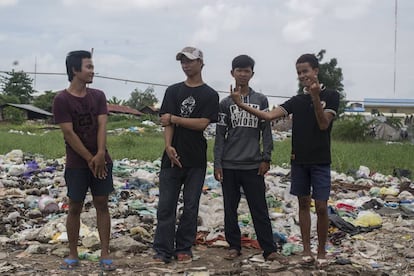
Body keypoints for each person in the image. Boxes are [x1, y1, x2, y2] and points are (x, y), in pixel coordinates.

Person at [231, 54, 340, 269]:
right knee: (302, 203)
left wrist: (316, 97)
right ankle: (307, 251)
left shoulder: (331, 95)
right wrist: (241, 104)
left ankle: (321, 252)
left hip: (320, 161)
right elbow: (269, 116)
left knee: (320, 207)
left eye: (305, 71)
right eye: (299, 72)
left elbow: (323, 125)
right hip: (298, 160)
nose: (302, 76)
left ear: (316, 71)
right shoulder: (296, 101)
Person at [214, 55, 288, 264]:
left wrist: (266, 157)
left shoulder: (260, 100)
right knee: (230, 208)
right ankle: (234, 246)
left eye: (247, 71)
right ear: (232, 73)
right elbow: (220, 135)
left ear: (252, 74)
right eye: (239, 70)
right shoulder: (225, 103)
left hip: (253, 164)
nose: (243, 74)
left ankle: (269, 249)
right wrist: (217, 163)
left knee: (259, 208)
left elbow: (266, 131)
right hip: (229, 164)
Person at [153, 46, 219, 264]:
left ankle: (183, 248)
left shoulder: (210, 94)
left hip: (196, 160)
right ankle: (163, 249)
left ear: (201, 63)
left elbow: (202, 123)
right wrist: (168, 146)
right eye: (182, 61)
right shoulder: (173, 91)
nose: (185, 65)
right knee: (166, 206)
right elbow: (165, 121)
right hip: (170, 159)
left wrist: (175, 119)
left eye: (189, 61)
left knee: (191, 207)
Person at [52, 50, 116, 271]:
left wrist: (100, 155)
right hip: (77, 163)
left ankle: (105, 253)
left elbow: (102, 125)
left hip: (101, 159)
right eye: (88, 67)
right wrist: (90, 158)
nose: (92, 71)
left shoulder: (98, 96)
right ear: (75, 70)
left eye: (92, 66)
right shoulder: (61, 100)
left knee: (102, 204)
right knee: (75, 206)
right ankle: (72, 253)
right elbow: (69, 134)